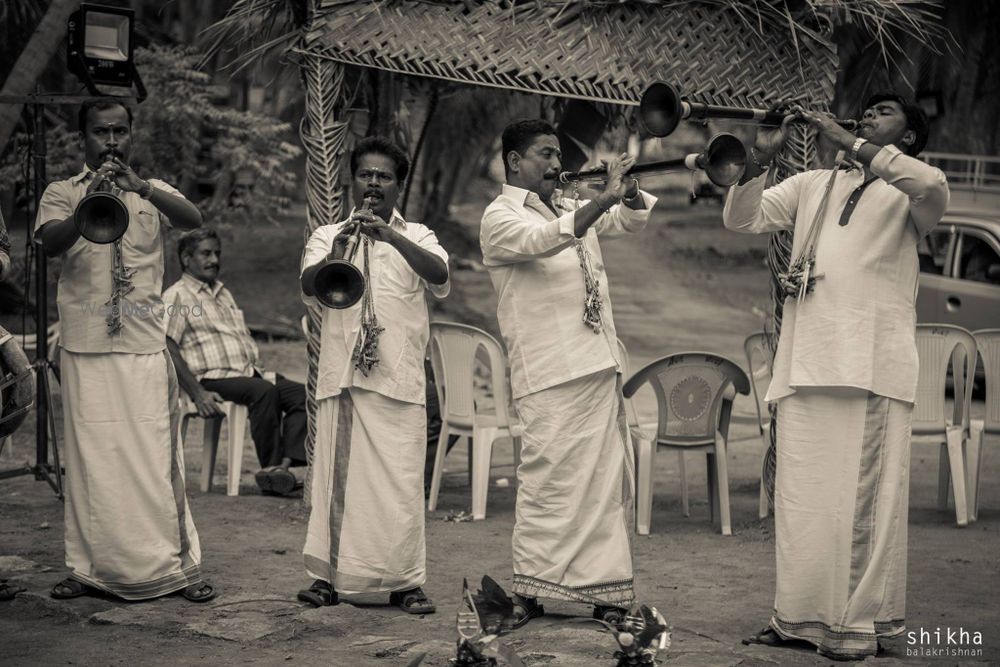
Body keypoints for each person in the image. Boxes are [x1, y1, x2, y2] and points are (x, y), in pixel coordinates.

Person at [724, 93, 948, 660]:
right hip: (806, 364)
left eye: (884, 113)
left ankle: (854, 628)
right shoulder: (813, 184)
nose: (868, 115)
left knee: (861, 506)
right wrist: (760, 158)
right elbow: (743, 218)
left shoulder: (913, 190)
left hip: (869, 367)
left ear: (910, 138)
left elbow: (930, 187)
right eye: (865, 111)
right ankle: (796, 619)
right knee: (802, 504)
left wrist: (852, 140)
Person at [35, 99, 215, 602]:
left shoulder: (150, 190)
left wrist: (142, 188)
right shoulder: (60, 191)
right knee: (90, 461)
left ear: (131, 136)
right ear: (84, 139)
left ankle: (180, 568)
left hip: (141, 344)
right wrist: (88, 200)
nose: (110, 141)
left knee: (157, 456)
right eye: (100, 132)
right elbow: (50, 244)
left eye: (119, 131)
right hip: (84, 345)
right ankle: (87, 567)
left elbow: (193, 218)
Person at [480, 119, 658, 627]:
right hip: (546, 370)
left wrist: (626, 191)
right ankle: (531, 590)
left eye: (558, 155)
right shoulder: (499, 217)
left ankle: (606, 594)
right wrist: (601, 201)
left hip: (597, 361)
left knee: (604, 485)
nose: (557, 165)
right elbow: (542, 241)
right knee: (546, 484)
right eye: (545, 155)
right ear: (515, 161)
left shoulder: (569, 204)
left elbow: (627, 221)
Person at [298, 136, 449, 612]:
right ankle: (327, 578)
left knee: (402, 484)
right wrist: (339, 251)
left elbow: (441, 275)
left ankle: (404, 583)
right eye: (366, 174)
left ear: (398, 185)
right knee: (334, 485)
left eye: (384, 176)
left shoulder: (419, 233)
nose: (374, 183)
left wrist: (391, 237)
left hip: (398, 378)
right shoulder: (328, 234)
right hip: (343, 378)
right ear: (353, 179)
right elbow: (308, 285)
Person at [164, 228, 308, 496]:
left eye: (217, 253)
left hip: (248, 374)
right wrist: (197, 392)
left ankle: (282, 469)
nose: (215, 260)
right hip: (211, 377)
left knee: (304, 394)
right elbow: (166, 344)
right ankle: (274, 467)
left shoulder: (222, 293)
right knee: (263, 392)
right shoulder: (177, 296)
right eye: (206, 253)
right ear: (186, 258)